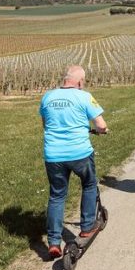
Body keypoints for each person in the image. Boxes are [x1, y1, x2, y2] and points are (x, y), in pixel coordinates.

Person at [39, 65, 108, 259]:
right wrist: (102, 131)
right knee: (89, 184)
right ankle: (86, 227)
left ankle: (54, 242)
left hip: (53, 155)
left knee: (57, 195)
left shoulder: (47, 97)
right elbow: (101, 125)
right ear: (80, 81)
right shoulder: (84, 96)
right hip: (79, 153)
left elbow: (45, 124)